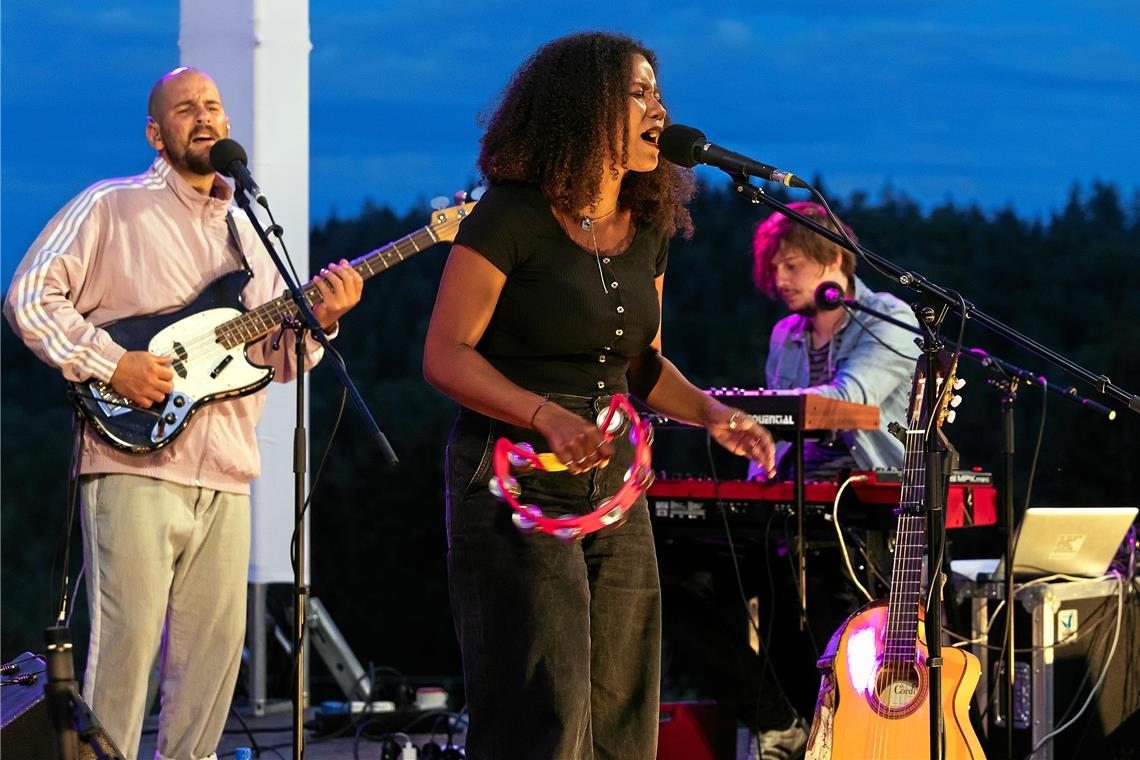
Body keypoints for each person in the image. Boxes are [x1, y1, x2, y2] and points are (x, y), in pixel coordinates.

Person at [422, 32, 776, 760]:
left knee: (623, 702)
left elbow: (641, 362)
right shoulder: (511, 215)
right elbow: (444, 356)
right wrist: (543, 414)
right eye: (639, 93)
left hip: (614, 477)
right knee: (544, 708)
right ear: (584, 109)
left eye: (658, 92)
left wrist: (712, 412)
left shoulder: (647, 226)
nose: (660, 108)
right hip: (511, 470)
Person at [4, 67, 363, 760]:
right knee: (126, 651)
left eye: (213, 106)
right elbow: (28, 298)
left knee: (210, 668)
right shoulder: (109, 207)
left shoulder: (247, 229)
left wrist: (321, 320)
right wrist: (113, 363)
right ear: (156, 132)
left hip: (227, 471)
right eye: (185, 108)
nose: (203, 117)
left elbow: (278, 359)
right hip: (131, 463)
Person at [751, 201, 921, 481]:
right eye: (775, 268)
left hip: (871, 492)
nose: (780, 280)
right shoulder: (784, 333)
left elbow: (850, 401)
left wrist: (750, 405)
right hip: (793, 491)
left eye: (791, 266)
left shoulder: (888, 319)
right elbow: (773, 432)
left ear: (834, 259)